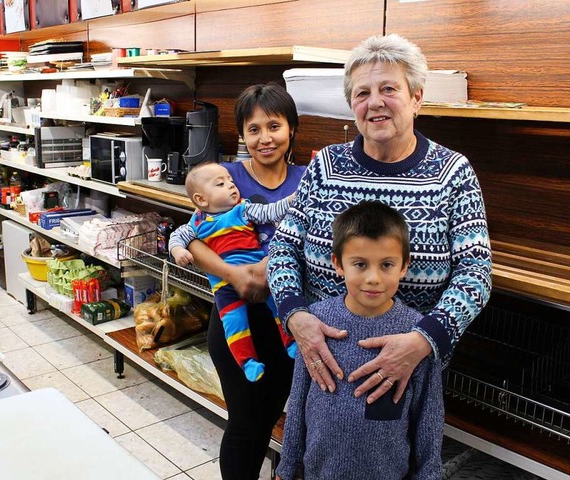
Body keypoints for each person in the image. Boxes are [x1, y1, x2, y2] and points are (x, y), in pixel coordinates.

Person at [267, 33, 492, 406]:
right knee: (319, 453)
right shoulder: (325, 166)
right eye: (361, 93)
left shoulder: (452, 172)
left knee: (399, 458)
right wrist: (296, 319)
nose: (375, 103)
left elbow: (476, 273)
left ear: (416, 97)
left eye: (389, 88)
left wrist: (422, 342)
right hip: (326, 364)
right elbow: (283, 248)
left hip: (410, 370)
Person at [184, 83, 306, 479]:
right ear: (242, 135)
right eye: (253, 129)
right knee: (245, 425)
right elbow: (195, 238)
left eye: (274, 126)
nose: (265, 138)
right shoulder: (223, 177)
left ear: (291, 129)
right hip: (239, 320)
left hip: (292, 319)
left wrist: (271, 266)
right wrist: (236, 274)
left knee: (279, 417)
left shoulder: (307, 179)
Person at [276, 201, 443, 480]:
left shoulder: (417, 335)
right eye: (360, 264)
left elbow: (429, 416)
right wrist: (287, 466)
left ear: (405, 266)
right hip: (319, 473)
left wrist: (429, 475)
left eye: (387, 264)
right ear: (338, 264)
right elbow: (298, 401)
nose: (374, 278)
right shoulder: (316, 322)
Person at [169, 162, 297, 383]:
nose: (231, 186)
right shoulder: (196, 222)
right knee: (234, 323)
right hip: (224, 287)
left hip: (261, 278)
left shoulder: (243, 208)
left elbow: (271, 211)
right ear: (201, 200)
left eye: (230, 181)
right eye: (221, 184)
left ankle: (291, 341)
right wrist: (178, 251)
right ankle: (247, 361)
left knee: (280, 305)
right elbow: (177, 237)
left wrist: (291, 200)